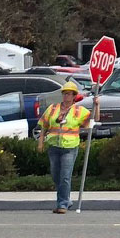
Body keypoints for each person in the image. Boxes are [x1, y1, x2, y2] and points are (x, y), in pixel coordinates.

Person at [37, 81, 91, 214]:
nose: (66, 96)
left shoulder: (79, 111)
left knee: (65, 176)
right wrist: (41, 142)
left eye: (69, 94)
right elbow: (44, 125)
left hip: (70, 147)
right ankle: (66, 199)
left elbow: (93, 120)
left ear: (74, 96)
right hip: (54, 146)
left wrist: (97, 105)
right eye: (65, 93)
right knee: (56, 175)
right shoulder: (53, 108)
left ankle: (62, 205)